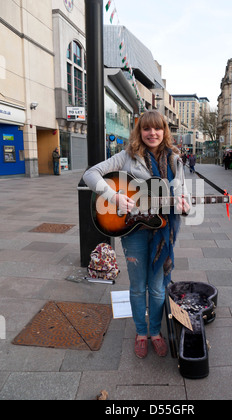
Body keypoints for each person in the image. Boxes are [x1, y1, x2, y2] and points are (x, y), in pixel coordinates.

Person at [83, 110, 190, 359]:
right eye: (147, 128)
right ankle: (141, 333)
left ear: (165, 131)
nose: (152, 133)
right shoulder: (126, 157)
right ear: (139, 132)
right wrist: (115, 196)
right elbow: (90, 174)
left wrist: (185, 206)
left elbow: (182, 194)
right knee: (137, 286)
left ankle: (155, 332)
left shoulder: (175, 160)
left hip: (163, 232)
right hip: (134, 231)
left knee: (156, 287)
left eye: (157, 128)